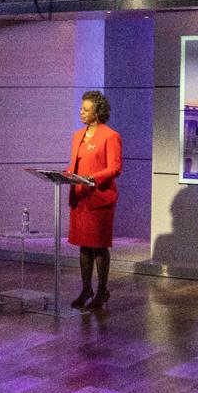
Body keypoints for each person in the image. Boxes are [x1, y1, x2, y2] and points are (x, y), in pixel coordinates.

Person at [66, 91, 122, 310]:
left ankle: (102, 291)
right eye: (81, 108)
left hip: (99, 199)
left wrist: (92, 179)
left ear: (97, 112)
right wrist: (66, 174)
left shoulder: (110, 136)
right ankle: (86, 289)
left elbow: (115, 168)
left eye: (86, 109)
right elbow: (76, 165)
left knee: (98, 247)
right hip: (79, 198)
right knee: (84, 246)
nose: (81, 112)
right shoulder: (77, 135)